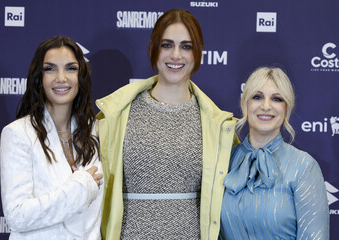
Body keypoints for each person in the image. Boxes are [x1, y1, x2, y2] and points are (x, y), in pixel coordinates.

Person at [96, 9, 238, 240]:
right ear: (154, 49)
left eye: (186, 46)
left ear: (197, 53)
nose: (175, 55)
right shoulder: (117, 114)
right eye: (167, 45)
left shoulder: (218, 124)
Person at [0, 36, 103, 239]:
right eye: (50, 69)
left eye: (71, 68)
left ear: (81, 75)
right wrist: (80, 188)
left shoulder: (97, 131)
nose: (61, 78)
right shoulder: (17, 134)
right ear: (39, 77)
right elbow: (17, 215)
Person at [220, 67, 329, 239]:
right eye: (257, 97)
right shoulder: (223, 160)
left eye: (276, 99)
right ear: (245, 104)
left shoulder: (304, 166)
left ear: (287, 107)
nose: (266, 106)